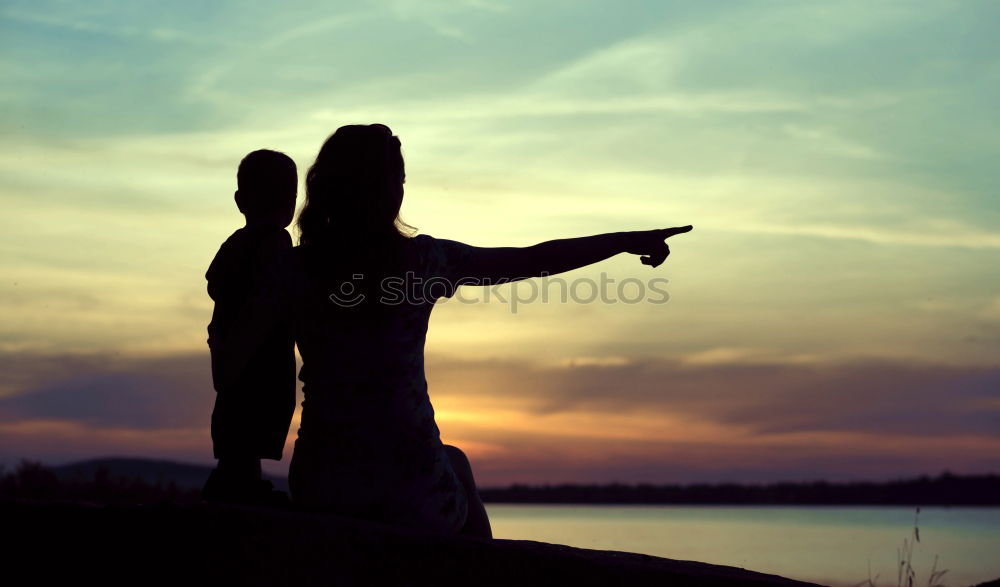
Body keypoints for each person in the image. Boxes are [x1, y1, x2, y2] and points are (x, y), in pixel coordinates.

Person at [287, 124, 692, 537]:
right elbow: (533, 259)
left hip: (324, 481)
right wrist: (623, 241)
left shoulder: (294, 267)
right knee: (456, 468)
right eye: (397, 180)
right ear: (383, 187)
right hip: (409, 486)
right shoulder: (425, 261)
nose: (400, 191)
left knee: (455, 459)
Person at [202, 149, 299, 506]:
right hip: (259, 354)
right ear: (242, 201)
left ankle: (241, 483)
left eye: (289, 195)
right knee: (250, 421)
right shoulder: (274, 241)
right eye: (276, 195)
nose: (285, 204)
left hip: (238, 347)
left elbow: (213, 281)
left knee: (240, 425)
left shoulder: (238, 242)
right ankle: (239, 489)